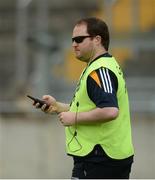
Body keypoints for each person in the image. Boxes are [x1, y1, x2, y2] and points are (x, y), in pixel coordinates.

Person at [33, 17, 134, 179]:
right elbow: (90, 106)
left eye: (79, 39)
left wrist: (75, 118)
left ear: (97, 40)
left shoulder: (100, 71)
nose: (74, 44)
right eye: (72, 40)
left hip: (101, 158)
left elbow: (110, 110)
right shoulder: (96, 67)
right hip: (100, 157)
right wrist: (57, 106)